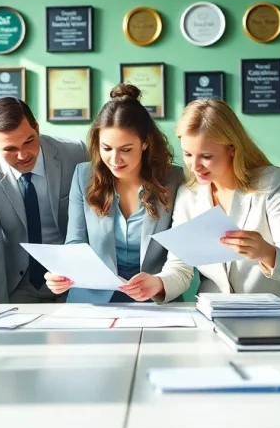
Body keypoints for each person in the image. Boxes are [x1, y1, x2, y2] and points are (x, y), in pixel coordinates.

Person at [157, 98, 280, 299]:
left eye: (206, 156)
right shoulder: (188, 194)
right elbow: (180, 266)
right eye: (187, 154)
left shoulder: (272, 183)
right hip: (215, 313)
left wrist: (266, 252)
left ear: (232, 148)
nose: (194, 166)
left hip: (278, 313)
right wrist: (157, 283)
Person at [45, 83, 187, 304]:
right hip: (92, 299)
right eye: (107, 148)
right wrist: (62, 274)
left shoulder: (174, 179)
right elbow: (75, 243)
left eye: (126, 149)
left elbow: (179, 257)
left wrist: (158, 283)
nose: (114, 159)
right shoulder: (84, 176)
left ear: (146, 143)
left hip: (155, 300)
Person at [0, 97, 88, 304]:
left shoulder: (76, 154)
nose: (23, 155)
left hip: (76, 275)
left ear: (37, 128)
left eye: (29, 141)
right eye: (10, 149)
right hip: (22, 282)